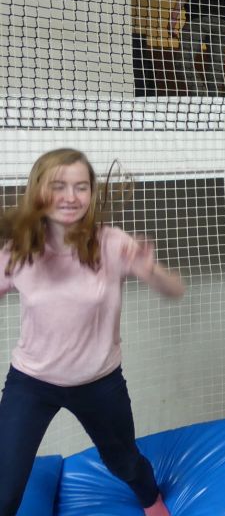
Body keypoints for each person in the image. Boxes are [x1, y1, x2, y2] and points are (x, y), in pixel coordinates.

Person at [0, 149, 184, 516]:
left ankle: (152, 500)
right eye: (59, 186)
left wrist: (151, 272)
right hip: (32, 382)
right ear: (39, 190)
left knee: (124, 462)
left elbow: (175, 290)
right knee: (4, 490)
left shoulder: (111, 242)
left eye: (80, 187)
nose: (71, 197)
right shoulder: (19, 250)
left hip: (99, 382)